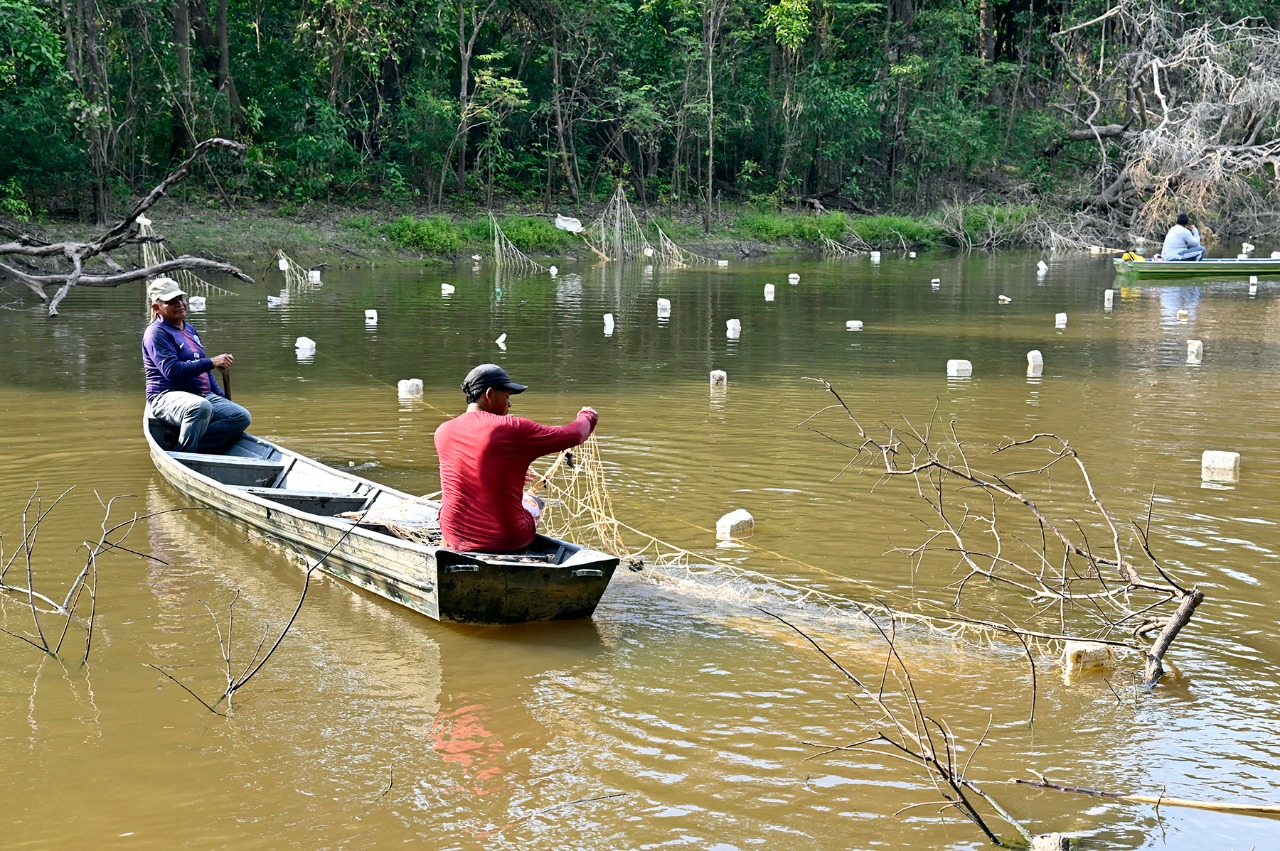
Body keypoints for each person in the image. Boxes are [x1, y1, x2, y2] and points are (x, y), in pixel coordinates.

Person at [434, 364, 598, 553]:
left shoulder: (442, 431)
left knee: (447, 504)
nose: (510, 404)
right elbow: (575, 435)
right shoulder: (513, 428)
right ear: (489, 394)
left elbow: (471, 468)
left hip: (454, 533)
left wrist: (510, 472)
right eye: (507, 396)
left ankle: (448, 547)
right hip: (507, 540)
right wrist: (588, 415)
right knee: (533, 502)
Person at [142, 277, 251, 453]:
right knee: (200, 407)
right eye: (171, 301)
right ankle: (185, 453)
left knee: (240, 416)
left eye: (180, 299)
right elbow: (171, 370)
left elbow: (204, 371)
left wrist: (220, 396)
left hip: (200, 396)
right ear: (157, 308)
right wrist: (211, 362)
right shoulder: (156, 333)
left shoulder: (189, 329)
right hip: (165, 397)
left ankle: (188, 445)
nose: (180, 304)